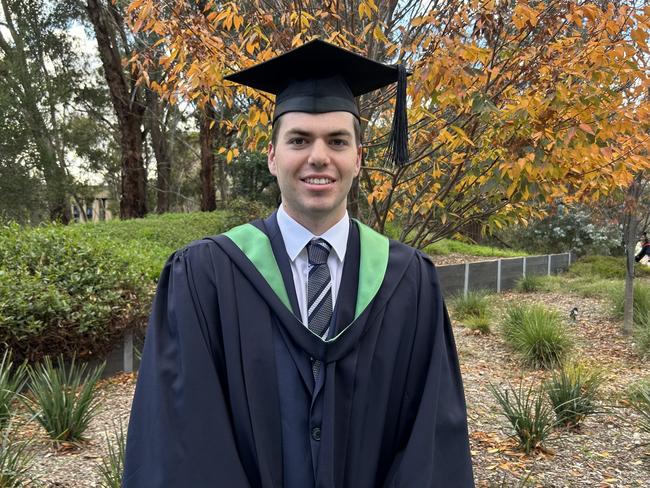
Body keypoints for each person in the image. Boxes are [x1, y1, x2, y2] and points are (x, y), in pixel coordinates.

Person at [123, 39, 474, 487]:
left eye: (337, 141)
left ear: (358, 159)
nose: (318, 157)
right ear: (272, 156)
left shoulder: (410, 281)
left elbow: (430, 444)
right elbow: (183, 439)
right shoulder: (205, 276)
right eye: (299, 140)